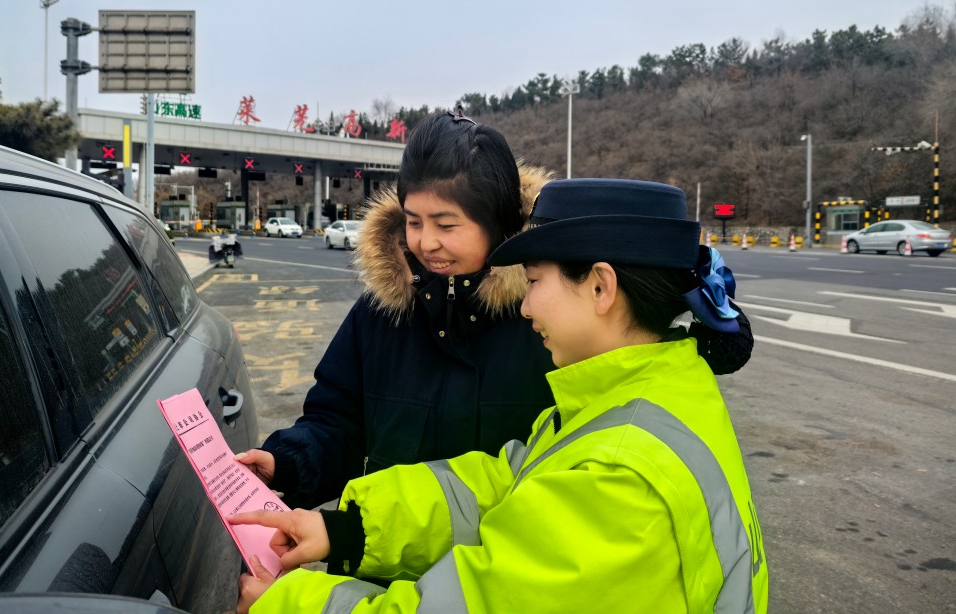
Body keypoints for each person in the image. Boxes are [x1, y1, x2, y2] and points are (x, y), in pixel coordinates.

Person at [229, 177, 769, 613]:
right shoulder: (636, 396)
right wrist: (345, 528)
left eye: (534, 282)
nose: (527, 307)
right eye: (414, 222)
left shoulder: (621, 476)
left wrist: (287, 604)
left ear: (601, 287)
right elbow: (500, 485)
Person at [237, 111, 753, 515]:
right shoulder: (383, 311)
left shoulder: (555, 323)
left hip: (504, 569)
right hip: (375, 560)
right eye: (413, 221)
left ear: (498, 221)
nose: (425, 242)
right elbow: (336, 421)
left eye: (447, 223)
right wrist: (287, 463)